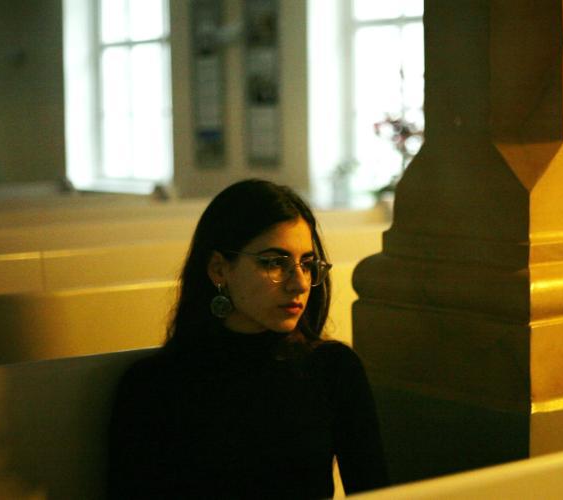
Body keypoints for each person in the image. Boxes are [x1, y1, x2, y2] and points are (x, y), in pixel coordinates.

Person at [107, 179, 388, 498]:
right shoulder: (152, 386)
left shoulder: (333, 368)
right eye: (274, 263)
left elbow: (374, 492)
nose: (299, 284)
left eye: (307, 265)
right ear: (219, 270)